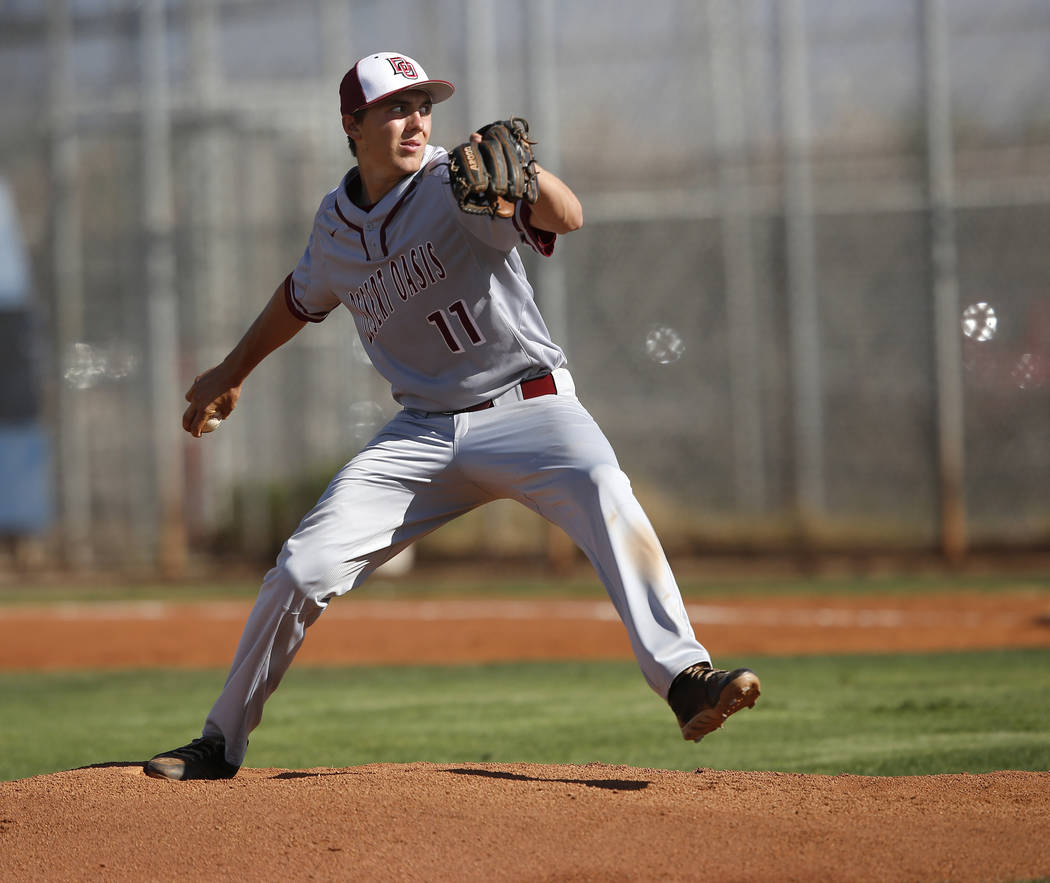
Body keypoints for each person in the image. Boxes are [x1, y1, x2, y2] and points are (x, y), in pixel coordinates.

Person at [145, 51, 760, 781]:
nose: (415, 120)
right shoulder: (335, 224)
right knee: (301, 568)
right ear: (353, 125)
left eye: (423, 106)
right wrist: (230, 371)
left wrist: (529, 180)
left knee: (604, 486)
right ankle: (220, 741)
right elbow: (299, 295)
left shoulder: (456, 180)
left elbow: (568, 216)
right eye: (394, 108)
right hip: (423, 432)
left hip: (530, 408)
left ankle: (686, 676)